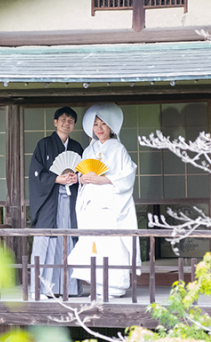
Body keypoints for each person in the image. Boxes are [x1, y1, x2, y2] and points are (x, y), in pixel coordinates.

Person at [68, 103, 139, 297]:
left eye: (104, 124)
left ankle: (116, 285)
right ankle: (98, 284)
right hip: (92, 207)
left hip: (110, 206)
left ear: (111, 127)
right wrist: (83, 179)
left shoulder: (119, 149)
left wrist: (103, 179)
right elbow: (83, 174)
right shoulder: (88, 151)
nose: (99, 129)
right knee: (94, 243)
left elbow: (127, 177)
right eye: (95, 124)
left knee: (112, 243)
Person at [28, 107, 84, 297]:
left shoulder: (76, 147)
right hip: (50, 202)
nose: (66, 123)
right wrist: (56, 179)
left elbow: (83, 172)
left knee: (68, 241)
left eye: (70, 120)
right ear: (55, 122)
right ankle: (42, 289)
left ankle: (69, 288)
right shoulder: (43, 145)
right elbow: (36, 174)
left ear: (73, 125)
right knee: (46, 241)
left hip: (70, 202)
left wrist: (77, 178)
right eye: (63, 119)